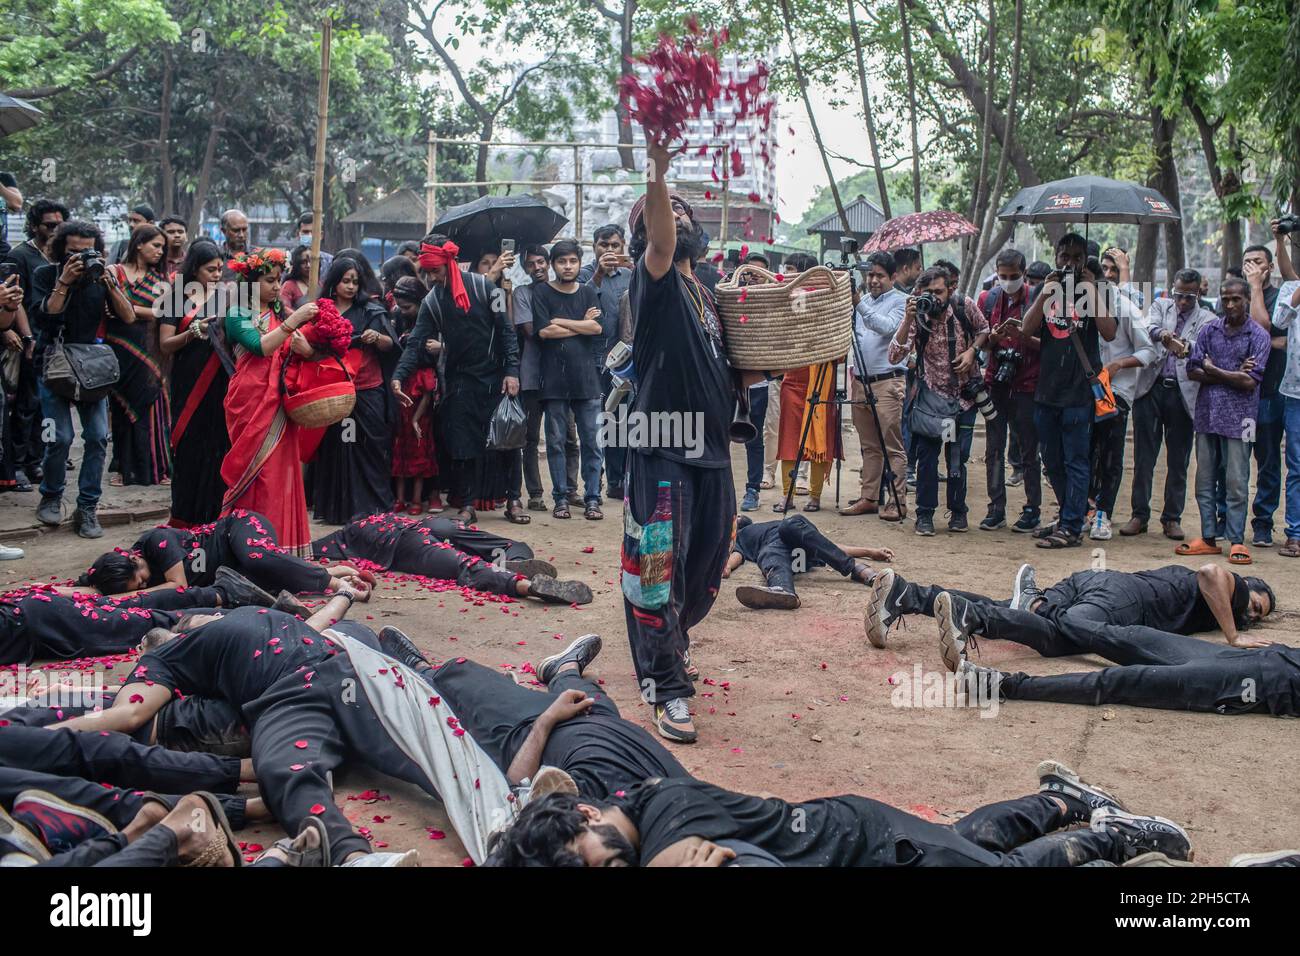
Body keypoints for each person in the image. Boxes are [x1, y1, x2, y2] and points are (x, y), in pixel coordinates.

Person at [486, 762, 1193, 867]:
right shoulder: (644, 813)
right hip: (857, 834)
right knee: (967, 840)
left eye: (598, 854)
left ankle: (1111, 836)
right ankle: (1063, 796)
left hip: (870, 845)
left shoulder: (671, 822)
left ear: (585, 812)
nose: (614, 867)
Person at [621, 127, 737, 744]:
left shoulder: (709, 293)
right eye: (668, 215)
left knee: (705, 564)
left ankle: (671, 643)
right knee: (659, 568)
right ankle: (666, 686)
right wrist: (657, 175)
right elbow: (663, 238)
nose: (680, 219)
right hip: (664, 443)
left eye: (688, 211)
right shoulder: (657, 278)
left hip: (712, 453)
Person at [867, 561, 1275, 654]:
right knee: (1061, 639)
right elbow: (1210, 572)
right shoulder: (1232, 589)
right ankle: (971, 617)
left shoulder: (1222, 601)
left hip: (1095, 583)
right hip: (1123, 600)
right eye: (1257, 605)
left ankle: (906, 594)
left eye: (1258, 615)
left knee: (1018, 611)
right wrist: (1234, 637)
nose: (1253, 612)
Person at [392, 233, 519, 525]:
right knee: (464, 444)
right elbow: (416, 343)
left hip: (497, 375)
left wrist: (512, 371)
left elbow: (507, 332)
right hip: (460, 379)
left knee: (508, 440)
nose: (432, 277)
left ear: (448, 263)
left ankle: (513, 500)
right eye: (427, 272)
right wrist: (399, 375)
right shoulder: (432, 302)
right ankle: (469, 503)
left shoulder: (488, 288)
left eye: (435, 270)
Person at [32, 220, 136, 538]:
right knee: (60, 437)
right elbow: (46, 315)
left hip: (92, 368)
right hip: (55, 366)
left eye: (87, 251)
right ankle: (51, 494)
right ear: (60, 249)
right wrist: (64, 281)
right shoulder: (45, 275)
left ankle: (87, 507)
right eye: (73, 251)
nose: (80, 257)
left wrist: (110, 283)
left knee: (97, 437)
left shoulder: (100, 277)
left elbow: (129, 316)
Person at [219, 248, 320, 555]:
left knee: (280, 473)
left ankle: (284, 550)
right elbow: (260, 347)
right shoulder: (237, 315)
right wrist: (296, 321)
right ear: (250, 284)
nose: (276, 287)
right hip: (250, 401)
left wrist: (306, 350)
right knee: (257, 475)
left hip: (278, 402)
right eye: (268, 280)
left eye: (278, 280)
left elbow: (297, 353)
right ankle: (249, 548)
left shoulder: (280, 316)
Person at [1020, 234, 1116, 548]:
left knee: (1077, 460)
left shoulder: (1098, 290)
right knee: (1051, 460)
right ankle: (1067, 514)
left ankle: (1072, 527)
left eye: (1077, 257)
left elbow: (1110, 332)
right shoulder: (1045, 288)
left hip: (1079, 394)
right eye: (1065, 256)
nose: (1070, 263)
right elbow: (1026, 330)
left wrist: (1090, 289)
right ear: (1056, 255)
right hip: (1047, 391)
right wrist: (1044, 294)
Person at [1176, 277, 1271, 564]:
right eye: (1225, 298)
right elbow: (1193, 369)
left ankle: (1236, 540)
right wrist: (1231, 373)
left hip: (1243, 420)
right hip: (1207, 415)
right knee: (1204, 479)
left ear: (1246, 300)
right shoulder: (1209, 330)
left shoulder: (1258, 336)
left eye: (1236, 299)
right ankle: (1207, 537)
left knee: (1237, 481)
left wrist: (1212, 368)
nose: (1229, 304)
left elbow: (1249, 383)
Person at [889, 265, 989, 535]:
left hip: (963, 399)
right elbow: (894, 356)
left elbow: (984, 328)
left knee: (957, 459)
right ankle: (925, 515)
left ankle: (958, 512)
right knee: (927, 459)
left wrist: (972, 351)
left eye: (938, 292)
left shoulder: (963, 306)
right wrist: (908, 319)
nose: (933, 297)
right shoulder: (918, 314)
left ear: (951, 289)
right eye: (927, 292)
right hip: (931, 400)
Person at [310, 512, 592, 605]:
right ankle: (512, 557)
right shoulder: (385, 516)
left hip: (406, 544)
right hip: (428, 524)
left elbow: (308, 549)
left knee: (465, 566)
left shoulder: (346, 535)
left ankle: (524, 586)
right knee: (499, 543)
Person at [1123, 269, 1217, 540]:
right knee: (1144, 458)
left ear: (1199, 293)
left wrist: (1187, 347)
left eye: (1188, 296)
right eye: (1178, 295)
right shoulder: (1161, 305)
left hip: (1182, 394)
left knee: (1178, 460)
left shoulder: (1207, 317)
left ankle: (1171, 518)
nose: (1182, 302)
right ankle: (1139, 515)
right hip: (1151, 389)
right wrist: (1164, 334)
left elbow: (1204, 346)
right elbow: (1147, 327)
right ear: (1172, 289)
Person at [310, 256, 396, 525]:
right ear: (333, 283)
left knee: (369, 448)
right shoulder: (320, 311)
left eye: (355, 281)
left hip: (368, 390)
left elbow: (390, 346)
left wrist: (378, 338)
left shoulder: (372, 310)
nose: (350, 286)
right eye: (345, 281)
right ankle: (342, 509)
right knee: (340, 448)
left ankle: (373, 509)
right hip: (335, 390)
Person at [158, 240, 230, 527]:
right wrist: (192, 332)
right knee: (189, 448)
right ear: (195, 269)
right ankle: (185, 517)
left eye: (220, 269)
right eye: (210, 269)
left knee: (218, 446)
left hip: (221, 382)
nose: (216, 274)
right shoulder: (176, 298)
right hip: (189, 383)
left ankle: (215, 516)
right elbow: (165, 345)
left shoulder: (227, 297)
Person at [533, 240, 605, 520]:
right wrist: (580, 325)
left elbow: (596, 328)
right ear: (553, 265)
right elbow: (544, 333)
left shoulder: (587, 291)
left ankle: (592, 498)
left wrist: (560, 321)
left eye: (573, 261)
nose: (568, 266)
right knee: (556, 442)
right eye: (562, 262)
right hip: (553, 381)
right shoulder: (542, 291)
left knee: (591, 442)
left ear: (578, 262)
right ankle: (560, 498)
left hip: (586, 380)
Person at [4, 200, 68, 493]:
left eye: (59, 224)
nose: (54, 230)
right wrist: (23, 336)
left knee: (46, 405)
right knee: (24, 404)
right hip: (27, 338)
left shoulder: (63, 257)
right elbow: (15, 301)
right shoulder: (21, 255)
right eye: (48, 225)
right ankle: (16, 464)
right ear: (34, 225)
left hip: (56, 342)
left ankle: (36, 460)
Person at [1086, 276, 1156, 540]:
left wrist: (1119, 365)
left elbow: (1149, 351)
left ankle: (1104, 513)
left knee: (1110, 456)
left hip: (1116, 394)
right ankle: (1085, 509)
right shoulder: (1082, 304)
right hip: (1085, 391)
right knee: (1083, 453)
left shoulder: (1126, 309)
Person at [977, 248, 1042, 532]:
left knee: (1029, 450)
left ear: (1024, 273)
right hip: (996, 382)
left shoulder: (1038, 301)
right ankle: (996, 508)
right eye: (1002, 276)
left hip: (1028, 383)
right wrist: (992, 338)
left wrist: (1023, 336)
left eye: (1013, 276)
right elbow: (979, 342)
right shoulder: (987, 299)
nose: (1007, 281)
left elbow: (1049, 345)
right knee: (994, 448)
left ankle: (1032, 509)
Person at [841, 251, 908, 521]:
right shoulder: (863, 302)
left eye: (880, 275)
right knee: (869, 445)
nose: (873, 280)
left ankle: (898, 501)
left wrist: (859, 304)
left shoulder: (902, 302)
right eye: (870, 275)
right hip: (860, 380)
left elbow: (885, 327)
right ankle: (869, 498)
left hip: (887, 381)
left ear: (893, 277)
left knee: (892, 445)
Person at [106, 224, 172, 487]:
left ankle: (156, 470)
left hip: (150, 350)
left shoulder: (161, 281)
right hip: (119, 348)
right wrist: (142, 310)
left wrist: (131, 309)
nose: (160, 251)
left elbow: (163, 312)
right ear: (138, 244)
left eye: (162, 248)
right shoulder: (114, 271)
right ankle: (123, 468)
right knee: (121, 408)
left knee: (152, 407)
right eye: (156, 245)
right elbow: (112, 307)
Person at [774, 252, 840, 513]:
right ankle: (787, 495)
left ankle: (815, 496)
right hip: (792, 377)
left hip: (820, 375)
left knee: (819, 437)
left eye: (791, 269)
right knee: (789, 439)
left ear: (805, 272)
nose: (786, 274)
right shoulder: (783, 296)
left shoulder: (826, 298)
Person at [513, 245, 574, 513]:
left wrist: (555, 327)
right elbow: (531, 331)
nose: (537, 267)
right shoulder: (521, 293)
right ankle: (535, 493)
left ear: (549, 263)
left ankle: (570, 490)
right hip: (532, 374)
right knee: (530, 437)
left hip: (562, 374)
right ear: (524, 268)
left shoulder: (565, 289)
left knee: (568, 436)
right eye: (530, 264)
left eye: (541, 262)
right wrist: (568, 326)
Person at [721, 514, 889, 609]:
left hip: (797, 536)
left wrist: (870, 551)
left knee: (789, 524)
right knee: (768, 553)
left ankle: (854, 568)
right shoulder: (740, 539)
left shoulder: (765, 525)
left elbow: (829, 547)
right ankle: (783, 591)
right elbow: (735, 558)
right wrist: (725, 565)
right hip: (783, 555)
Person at [1243, 234, 1293, 547]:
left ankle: (1263, 523)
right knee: (1232, 461)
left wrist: (1257, 288)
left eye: (1258, 262)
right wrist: (1270, 342)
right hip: (1239, 397)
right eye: (1247, 263)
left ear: (1270, 267)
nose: (1252, 268)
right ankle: (1227, 520)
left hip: (1269, 395)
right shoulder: (1234, 295)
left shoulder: (1279, 296)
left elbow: (1261, 329)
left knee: (1268, 461)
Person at [581, 224, 634, 500]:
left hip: (623, 362)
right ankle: (592, 485)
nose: (610, 250)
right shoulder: (586, 274)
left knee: (619, 423)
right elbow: (580, 300)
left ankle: (616, 481)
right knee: (592, 425)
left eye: (615, 245)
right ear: (594, 247)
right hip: (592, 361)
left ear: (623, 246)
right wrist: (600, 272)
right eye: (604, 245)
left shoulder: (629, 275)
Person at [390, 276, 437, 514]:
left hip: (421, 402)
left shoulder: (432, 317)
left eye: (407, 307)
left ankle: (424, 497)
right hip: (402, 392)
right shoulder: (397, 317)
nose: (402, 311)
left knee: (423, 450)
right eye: (399, 306)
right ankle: (403, 497)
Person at [1270, 273, 1300, 557]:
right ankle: (1295, 534)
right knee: (1297, 467)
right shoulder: (1292, 288)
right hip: (1295, 393)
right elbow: (1278, 322)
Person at [279, 243, 315, 312]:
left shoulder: (320, 284)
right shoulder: (289, 285)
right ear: (297, 264)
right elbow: (284, 309)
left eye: (311, 261)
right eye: (304, 262)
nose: (308, 265)